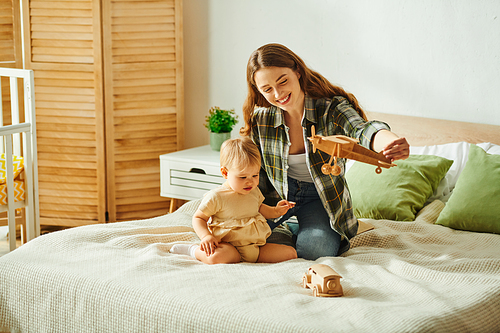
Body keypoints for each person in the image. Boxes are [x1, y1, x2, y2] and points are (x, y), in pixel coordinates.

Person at [240, 43, 410, 260]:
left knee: (315, 252)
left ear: (297, 72)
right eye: (267, 89)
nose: (278, 93)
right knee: (239, 239)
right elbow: (252, 170)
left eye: (283, 81)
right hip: (276, 199)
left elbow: (362, 130)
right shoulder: (261, 120)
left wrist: (389, 142)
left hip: (318, 199)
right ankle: (290, 230)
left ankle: (311, 232)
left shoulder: (331, 108)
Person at [170, 137, 298, 264]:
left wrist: (276, 210)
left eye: (255, 175)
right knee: (217, 257)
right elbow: (198, 218)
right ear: (225, 173)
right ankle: (194, 250)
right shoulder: (217, 196)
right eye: (242, 177)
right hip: (230, 247)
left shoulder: (253, 191)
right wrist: (206, 236)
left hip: (255, 248)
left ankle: (251, 258)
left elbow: (260, 208)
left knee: (291, 253)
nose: (250, 181)